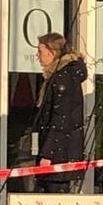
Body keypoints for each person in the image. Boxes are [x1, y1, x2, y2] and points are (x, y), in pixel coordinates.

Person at [30, 33, 87, 193]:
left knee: (54, 199)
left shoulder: (63, 79)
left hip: (60, 156)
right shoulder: (58, 77)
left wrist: (48, 154)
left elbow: (60, 119)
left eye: (40, 51)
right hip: (59, 153)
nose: (37, 56)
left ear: (52, 52)